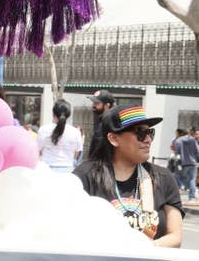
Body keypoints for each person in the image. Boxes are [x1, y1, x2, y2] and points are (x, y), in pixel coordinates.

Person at [73, 105, 183, 247]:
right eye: (140, 133)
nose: (148, 139)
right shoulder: (84, 177)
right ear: (114, 139)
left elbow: (175, 237)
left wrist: (144, 248)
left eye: (150, 133)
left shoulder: (163, 178)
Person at [37, 99, 82, 173]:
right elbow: (76, 153)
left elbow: (38, 150)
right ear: (68, 115)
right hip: (68, 170)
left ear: (53, 114)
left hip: (46, 170)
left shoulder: (44, 129)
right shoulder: (76, 132)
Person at [87, 89, 115, 158]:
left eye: (97, 103)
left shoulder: (112, 124)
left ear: (107, 105)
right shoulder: (101, 121)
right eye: (93, 103)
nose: (93, 106)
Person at [174, 127, 199, 201]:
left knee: (178, 177)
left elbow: (177, 153)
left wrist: (177, 163)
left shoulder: (178, 140)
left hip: (183, 163)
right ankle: (192, 197)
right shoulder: (193, 139)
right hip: (193, 162)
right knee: (192, 179)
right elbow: (197, 151)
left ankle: (185, 186)